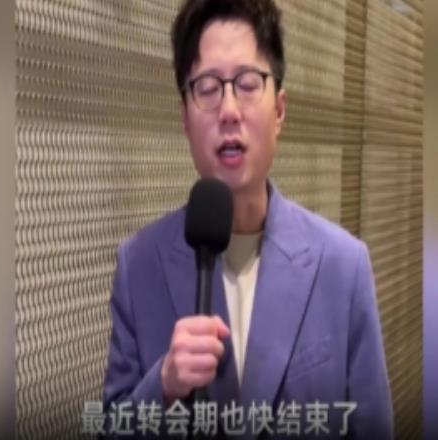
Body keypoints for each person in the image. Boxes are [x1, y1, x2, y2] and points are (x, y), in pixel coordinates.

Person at [102, 0, 394, 438]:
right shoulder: (139, 264)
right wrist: (163, 386)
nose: (229, 110)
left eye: (247, 83)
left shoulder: (343, 265)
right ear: (184, 117)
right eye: (207, 87)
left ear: (279, 110)